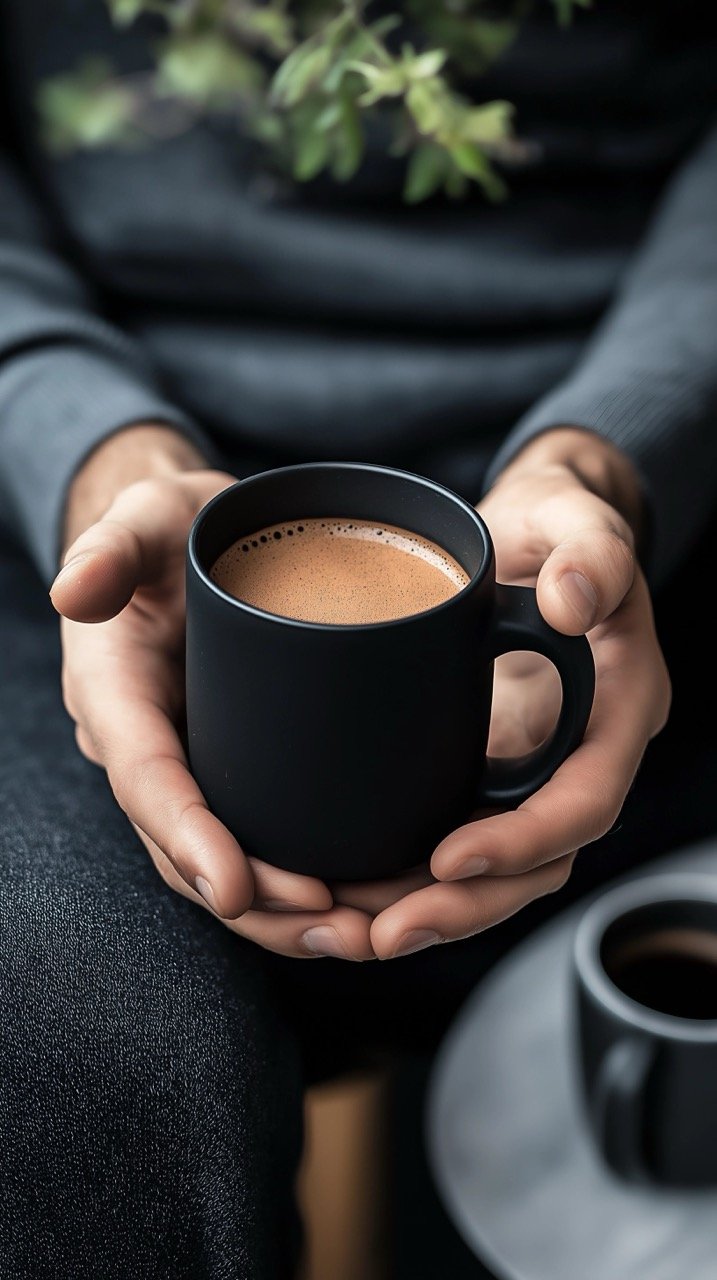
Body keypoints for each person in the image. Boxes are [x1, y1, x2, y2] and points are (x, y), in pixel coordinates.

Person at [0, 0, 716, 1275]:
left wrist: (615, 458)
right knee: (65, 1041)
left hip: (625, 516)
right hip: (86, 510)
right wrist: (88, 444)